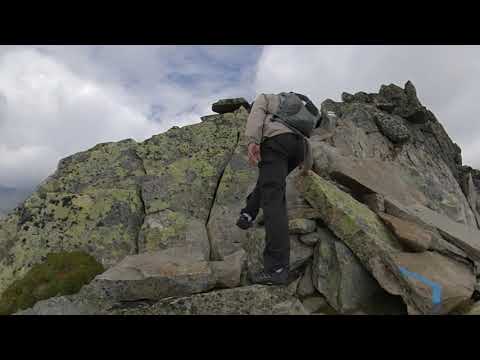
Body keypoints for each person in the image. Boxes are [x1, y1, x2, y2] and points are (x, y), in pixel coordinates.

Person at [236, 92, 319, 285]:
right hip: (299, 149)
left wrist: (253, 141)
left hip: (276, 142)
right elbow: (306, 134)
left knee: (274, 201)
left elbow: (256, 113)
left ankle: (277, 268)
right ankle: (248, 213)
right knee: (270, 182)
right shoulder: (299, 108)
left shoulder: (266, 97)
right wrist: (307, 163)